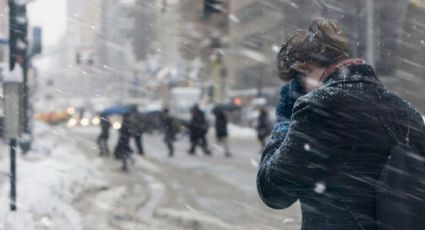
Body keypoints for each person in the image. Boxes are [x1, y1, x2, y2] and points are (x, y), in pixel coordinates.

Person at [256, 17, 425, 230]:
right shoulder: (407, 113)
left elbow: (273, 191)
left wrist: (283, 122)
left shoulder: (321, 107)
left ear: (305, 69)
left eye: (296, 80)